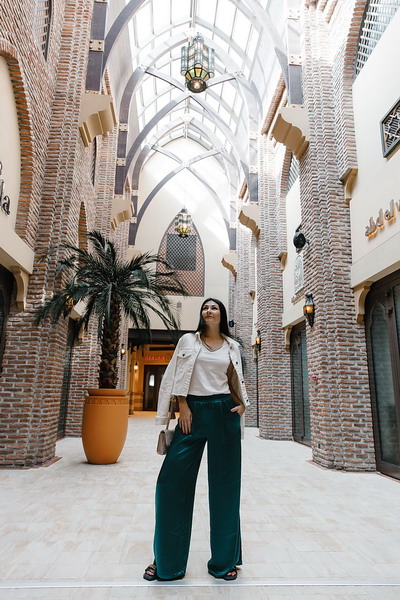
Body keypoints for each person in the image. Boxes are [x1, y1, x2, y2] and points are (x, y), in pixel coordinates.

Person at [143, 297, 249, 582]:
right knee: (170, 484)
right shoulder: (188, 341)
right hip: (192, 413)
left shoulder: (232, 345)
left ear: (221, 314)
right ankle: (166, 563)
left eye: (214, 307)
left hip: (224, 413)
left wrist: (242, 405)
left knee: (226, 488)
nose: (209, 310)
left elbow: (235, 379)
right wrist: (183, 405)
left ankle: (224, 562)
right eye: (205, 307)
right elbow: (175, 374)